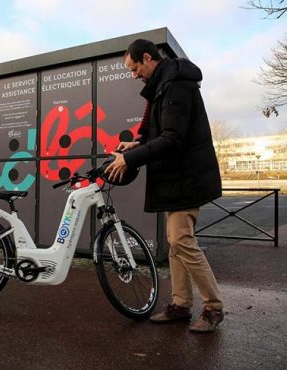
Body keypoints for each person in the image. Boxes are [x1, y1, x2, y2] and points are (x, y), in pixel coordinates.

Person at [105, 39, 224, 333]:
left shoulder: (175, 85)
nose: (133, 75)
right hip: (177, 178)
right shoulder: (164, 85)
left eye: (134, 68)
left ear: (147, 58)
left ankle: (214, 308)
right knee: (175, 243)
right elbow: (163, 131)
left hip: (187, 178)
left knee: (181, 240)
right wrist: (138, 142)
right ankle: (181, 304)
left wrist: (129, 159)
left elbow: (173, 138)